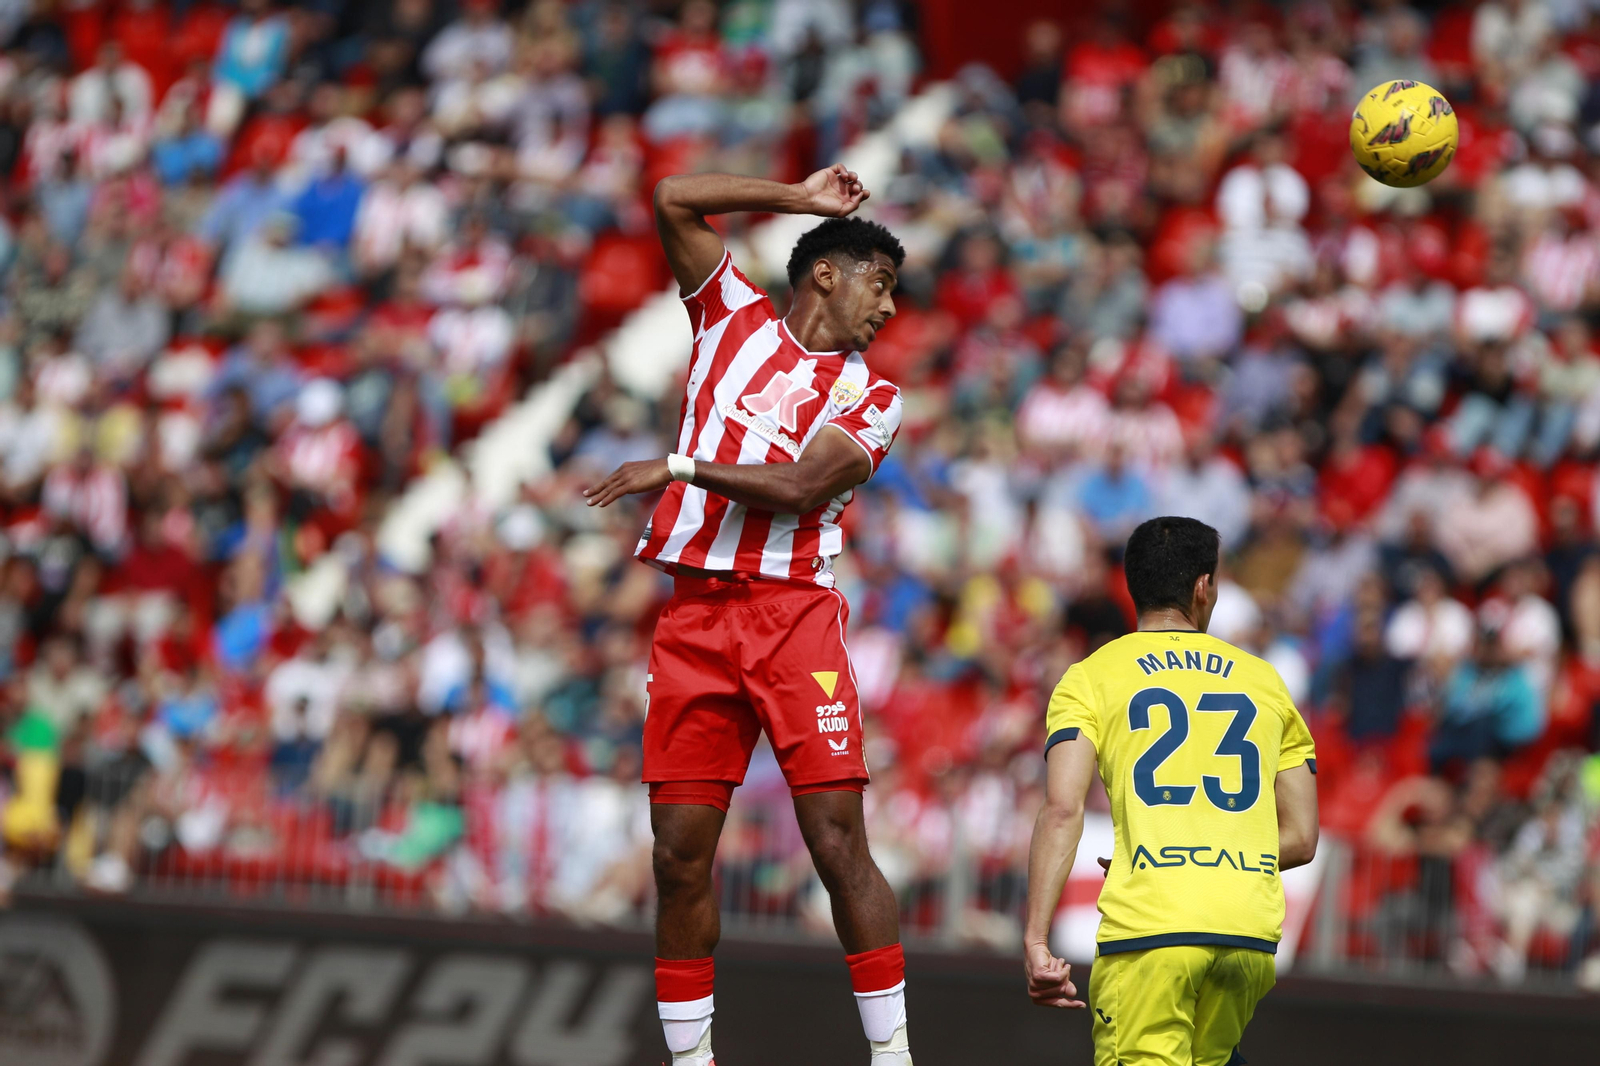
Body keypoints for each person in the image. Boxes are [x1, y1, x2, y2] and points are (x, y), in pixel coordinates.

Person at [583, 164, 911, 1066]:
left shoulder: (872, 399)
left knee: (835, 840)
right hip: (694, 619)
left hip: (791, 616)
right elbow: (672, 197)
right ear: (827, 273)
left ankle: (893, 1058)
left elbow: (804, 486)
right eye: (881, 285)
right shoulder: (729, 315)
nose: (889, 310)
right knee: (676, 856)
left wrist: (679, 469)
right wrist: (801, 201)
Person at [1023, 516, 1320, 1066]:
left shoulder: (1090, 677)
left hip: (1152, 933)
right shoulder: (1264, 681)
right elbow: (1302, 838)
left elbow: (1063, 810)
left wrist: (1037, 942)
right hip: (1248, 937)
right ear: (1203, 586)